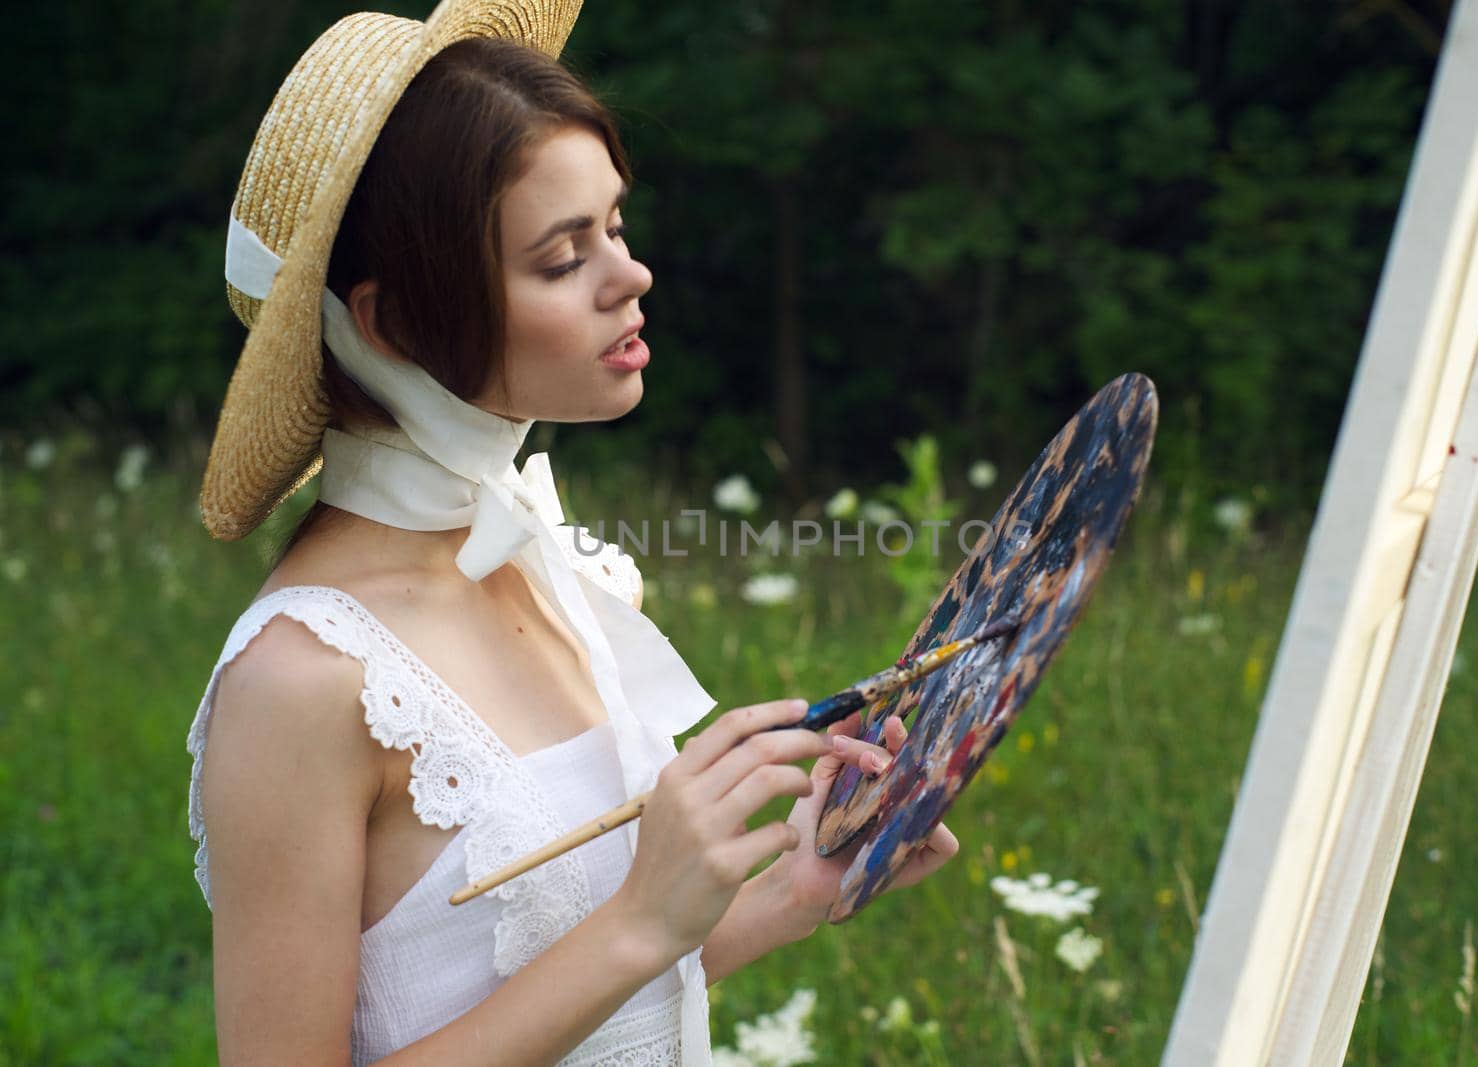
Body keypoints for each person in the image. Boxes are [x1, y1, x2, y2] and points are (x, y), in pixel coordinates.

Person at [183, 4, 959, 1065]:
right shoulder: (305, 677)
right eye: (560, 258)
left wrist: (794, 887)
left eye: (615, 226)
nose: (628, 276)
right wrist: (642, 914)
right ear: (396, 323)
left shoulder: (549, 567)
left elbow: (584, 993)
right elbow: (617, 938)